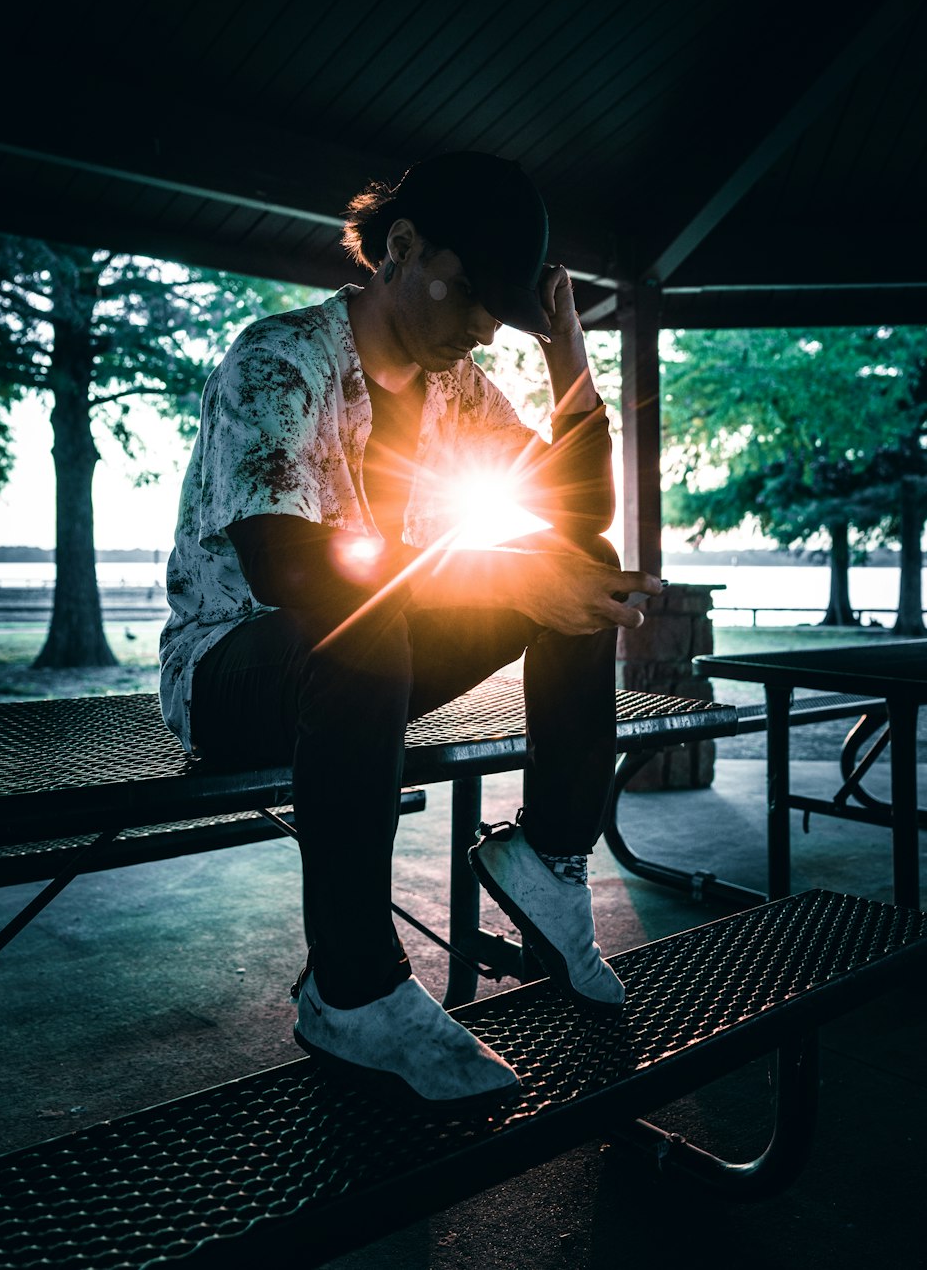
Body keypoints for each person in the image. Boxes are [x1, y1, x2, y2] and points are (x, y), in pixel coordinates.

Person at [159, 152, 662, 1111]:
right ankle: (351, 989)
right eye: (470, 292)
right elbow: (289, 569)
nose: (479, 327)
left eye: (500, 312)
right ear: (401, 246)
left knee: (579, 579)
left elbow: (581, 517)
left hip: (366, 661)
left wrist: (569, 360)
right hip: (234, 668)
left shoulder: (458, 391)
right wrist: (516, 574)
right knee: (371, 619)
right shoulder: (280, 359)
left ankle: (548, 854)